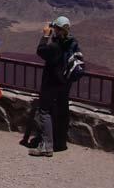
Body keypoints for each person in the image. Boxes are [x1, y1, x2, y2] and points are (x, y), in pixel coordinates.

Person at [29, 15, 81, 157]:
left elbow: (41, 51)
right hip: (65, 83)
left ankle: (46, 146)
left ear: (56, 29)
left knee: (44, 112)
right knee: (61, 110)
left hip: (51, 83)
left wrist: (46, 36)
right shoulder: (73, 42)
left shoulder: (54, 46)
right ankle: (59, 142)